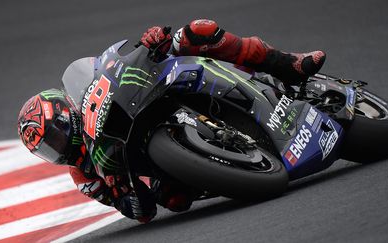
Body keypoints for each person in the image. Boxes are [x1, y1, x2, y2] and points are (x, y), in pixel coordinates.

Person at [17, 19, 326, 224]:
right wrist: (122, 193)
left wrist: (150, 43)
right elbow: (142, 212)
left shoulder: (91, 94)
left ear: (66, 111)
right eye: (49, 150)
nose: (58, 148)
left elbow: (111, 66)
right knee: (175, 200)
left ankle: (287, 64)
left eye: (56, 136)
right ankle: (231, 162)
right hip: (161, 162)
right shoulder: (83, 174)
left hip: (154, 89)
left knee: (197, 31)